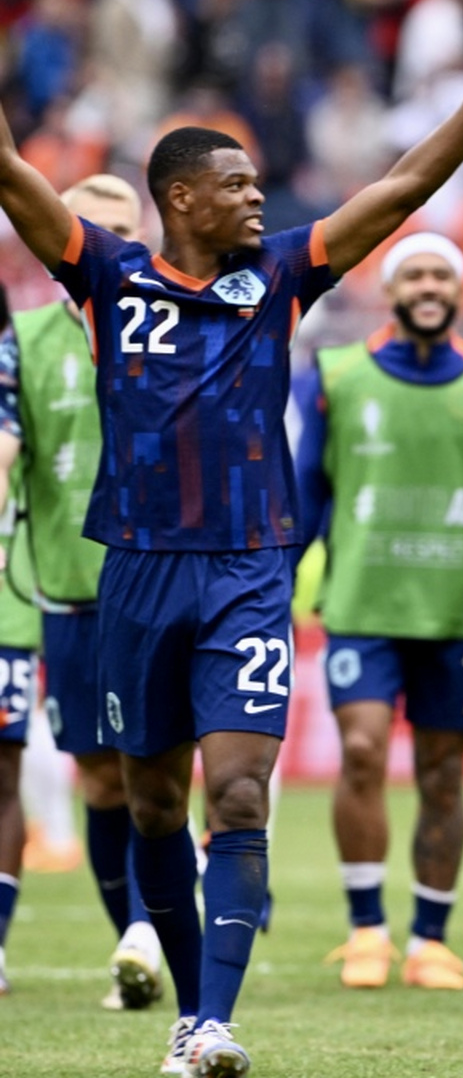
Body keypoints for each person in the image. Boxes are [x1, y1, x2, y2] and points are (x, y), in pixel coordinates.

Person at [0, 0, 463, 1077]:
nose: (258, 197)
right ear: (180, 198)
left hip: (250, 570)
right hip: (138, 572)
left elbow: (403, 188)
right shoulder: (108, 277)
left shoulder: (282, 278)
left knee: (238, 792)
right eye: (236, 185)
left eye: (259, 182)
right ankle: (188, 1012)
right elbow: (10, 171)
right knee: (153, 802)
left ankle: (213, 1019)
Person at [296, 234, 463, 993]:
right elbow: (306, 491)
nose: (428, 286)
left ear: (458, 289)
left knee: (444, 775)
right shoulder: (337, 376)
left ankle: (430, 939)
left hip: (461, 609)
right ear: (389, 290)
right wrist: (274, 584)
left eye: (441, 275)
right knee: (361, 753)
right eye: (413, 274)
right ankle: (366, 930)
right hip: (363, 601)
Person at [0, 175, 164, 1009]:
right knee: (100, 780)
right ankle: (134, 941)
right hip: (67, 593)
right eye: (85, 228)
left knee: (156, 770)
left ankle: (153, 934)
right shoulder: (23, 340)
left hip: (160, 585)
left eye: (119, 231)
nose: (101, 245)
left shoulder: (170, 326)